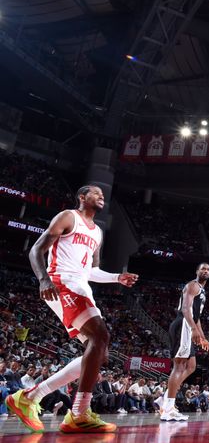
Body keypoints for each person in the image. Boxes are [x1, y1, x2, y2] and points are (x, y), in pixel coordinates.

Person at [5, 185, 138, 434]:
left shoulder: (97, 232)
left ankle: (29, 397)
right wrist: (43, 279)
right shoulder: (68, 216)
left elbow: (91, 271)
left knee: (99, 354)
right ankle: (78, 413)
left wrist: (116, 278)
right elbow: (36, 249)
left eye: (102, 194)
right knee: (100, 337)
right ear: (82, 197)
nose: (101, 196)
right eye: (95, 193)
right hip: (61, 282)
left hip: (80, 285)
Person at [162, 263, 209, 421]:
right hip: (183, 324)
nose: (205, 271)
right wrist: (193, 330)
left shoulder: (202, 291)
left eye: (208, 269)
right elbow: (185, 309)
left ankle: (165, 397)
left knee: (191, 367)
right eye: (203, 268)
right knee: (179, 366)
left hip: (189, 325)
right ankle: (168, 409)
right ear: (197, 271)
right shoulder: (192, 285)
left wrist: (202, 336)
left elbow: (196, 318)